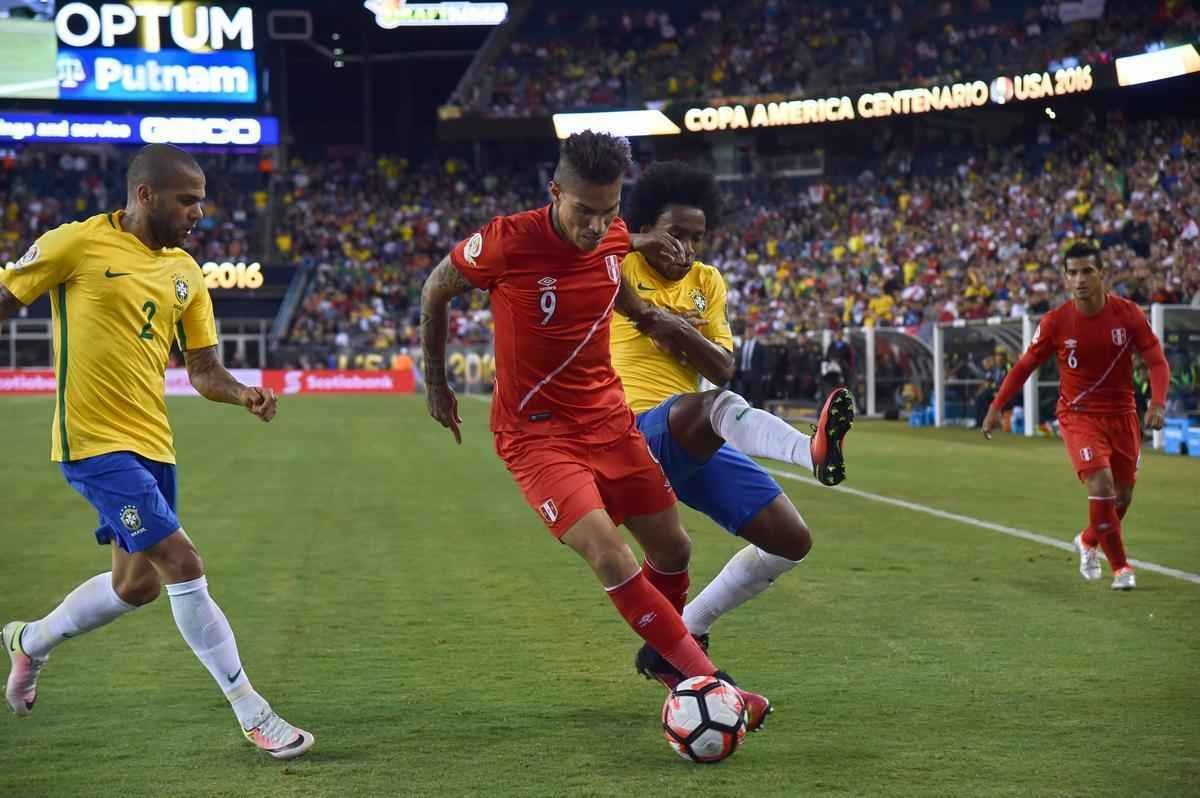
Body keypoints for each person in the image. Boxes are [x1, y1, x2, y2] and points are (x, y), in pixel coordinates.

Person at [420, 131, 770, 730]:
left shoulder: (612, 233)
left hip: (608, 421)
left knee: (675, 548)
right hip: (536, 435)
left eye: (609, 211)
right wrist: (435, 381)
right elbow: (435, 289)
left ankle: (666, 659)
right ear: (555, 192)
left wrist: (658, 318)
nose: (596, 225)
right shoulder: (507, 242)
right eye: (584, 210)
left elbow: (620, 288)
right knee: (610, 553)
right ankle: (701, 679)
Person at [0, 144, 313, 759]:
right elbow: (6, 302)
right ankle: (254, 712)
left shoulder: (187, 272)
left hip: (153, 444)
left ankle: (29, 641)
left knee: (135, 586)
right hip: (92, 442)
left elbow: (201, 367)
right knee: (182, 561)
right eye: (187, 199)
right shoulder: (75, 244)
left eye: (201, 200)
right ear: (146, 194)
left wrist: (243, 393)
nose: (199, 212)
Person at [607, 161, 853, 686]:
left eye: (698, 237)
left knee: (790, 541)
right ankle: (809, 451)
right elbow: (578, 241)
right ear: (650, 227)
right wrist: (640, 242)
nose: (688, 248)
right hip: (630, 432)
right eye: (676, 234)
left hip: (688, 434)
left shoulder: (707, 283)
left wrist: (675, 329)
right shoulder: (620, 266)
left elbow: (720, 365)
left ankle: (685, 630)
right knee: (716, 405)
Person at [983, 242, 1169, 590]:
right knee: (1101, 483)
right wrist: (996, 406)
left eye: (1087, 271)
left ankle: (1087, 540)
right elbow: (1024, 366)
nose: (1080, 279)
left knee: (1123, 497)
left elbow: (1157, 361)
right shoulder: (1055, 322)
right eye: (1073, 273)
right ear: (1065, 279)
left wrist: (1157, 402)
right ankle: (1122, 569)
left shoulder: (1128, 315)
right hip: (1078, 415)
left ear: (1103, 274)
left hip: (1123, 415)